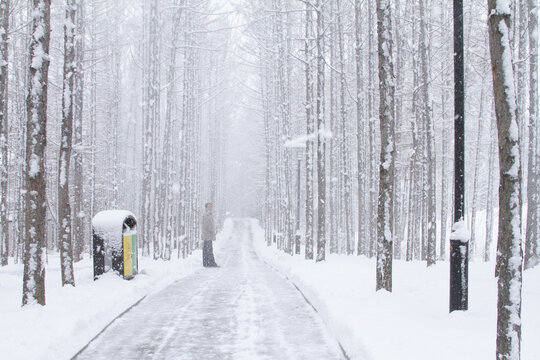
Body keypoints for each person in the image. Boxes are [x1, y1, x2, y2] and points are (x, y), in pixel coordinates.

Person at [201, 202, 219, 267]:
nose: (210, 208)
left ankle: (206, 263)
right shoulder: (206, 215)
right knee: (209, 249)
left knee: (206, 249)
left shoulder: (209, 215)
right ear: (206, 208)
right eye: (209, 207)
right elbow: (207, 225)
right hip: (207, 235)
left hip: (207, 235)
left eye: (211, 207)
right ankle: (211, 263)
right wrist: (212, 230)